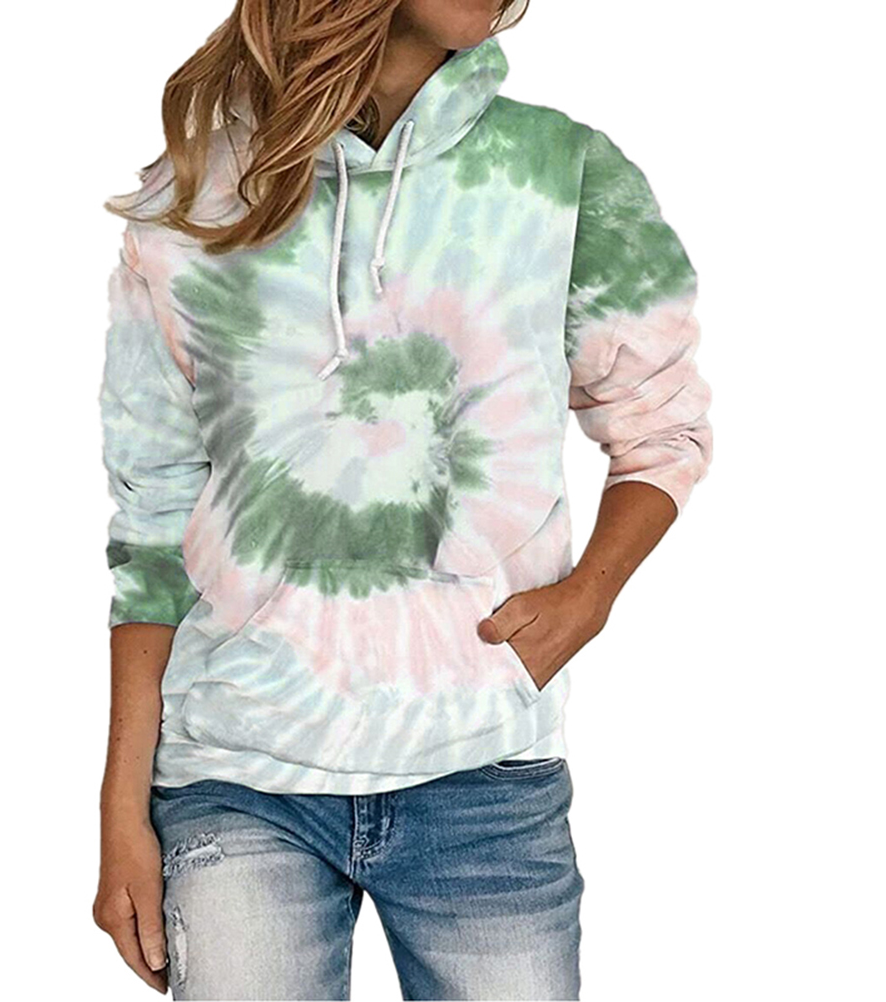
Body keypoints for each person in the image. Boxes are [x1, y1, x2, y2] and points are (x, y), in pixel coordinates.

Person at [91, 1, 713, 998]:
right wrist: (120, 808)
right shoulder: (194, 202)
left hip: (485, 775)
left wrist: (590, 595)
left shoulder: (561, 173)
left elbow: (661, 426)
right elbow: (152, 524)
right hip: (239, 776)